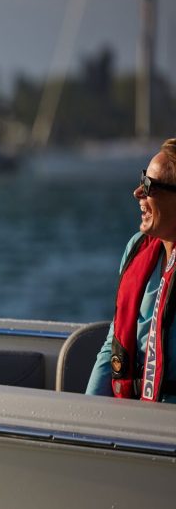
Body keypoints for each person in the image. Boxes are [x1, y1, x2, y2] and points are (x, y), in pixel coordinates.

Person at [86, 139, 176, 403]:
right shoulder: (136, 249)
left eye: (150, 186)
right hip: (130, 418)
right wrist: (88, 412)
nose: (138, 192)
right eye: (142, 180)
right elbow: (112, 343)